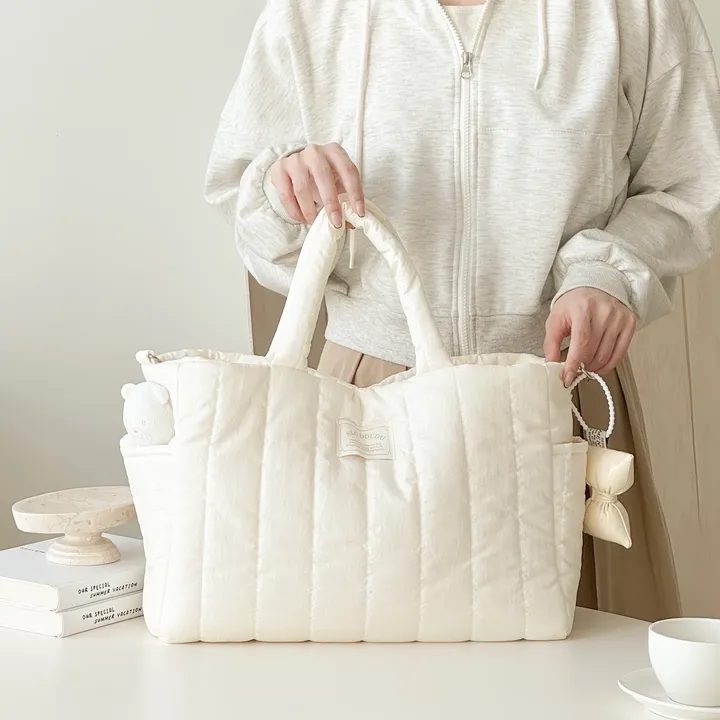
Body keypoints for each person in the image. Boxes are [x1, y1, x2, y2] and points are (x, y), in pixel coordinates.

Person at [204, 0, 720, 621]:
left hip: (556, 389)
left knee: (575, 660)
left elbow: (690, 183)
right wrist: (282, 191)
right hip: (370, 397)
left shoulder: (637, 11)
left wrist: (606, 272)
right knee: (363, 647)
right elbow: (239, 193)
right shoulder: (310, 14)